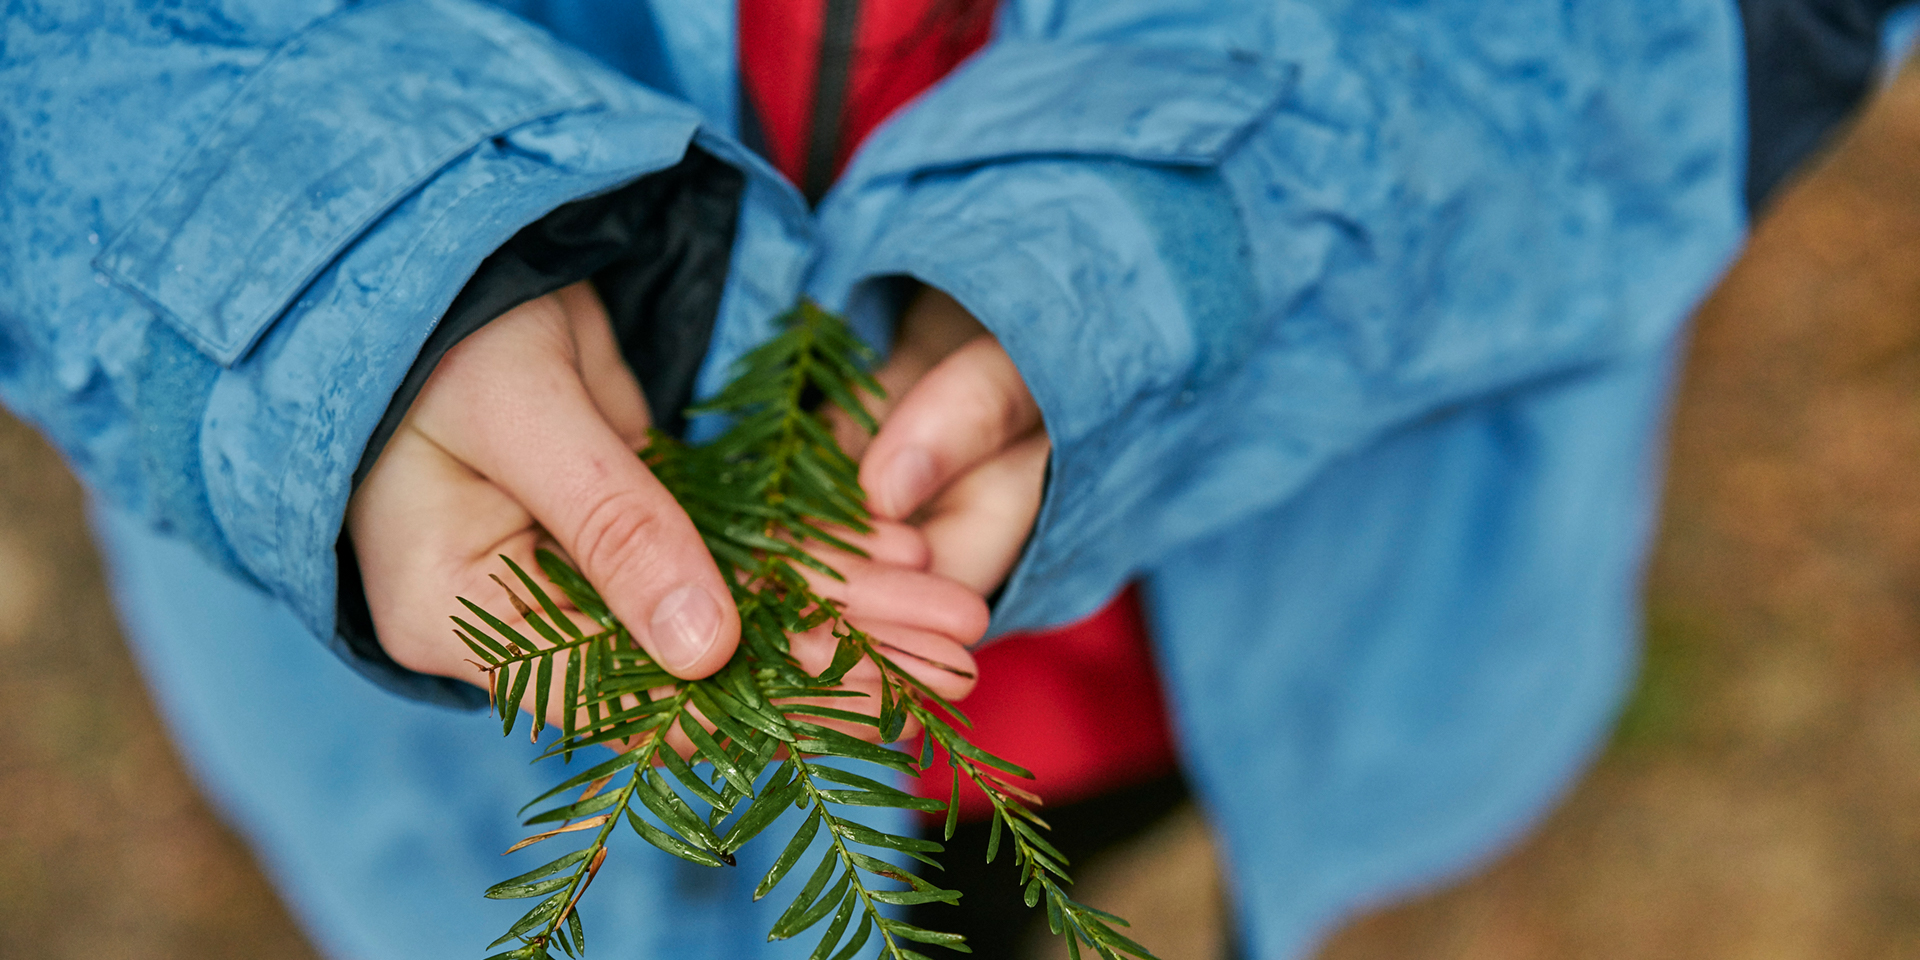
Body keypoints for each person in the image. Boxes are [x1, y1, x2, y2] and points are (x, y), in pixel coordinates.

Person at [5, 1, 1906, 958]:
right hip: (483, 666)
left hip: (1229, 586)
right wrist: (333, 269)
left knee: (1000, 887)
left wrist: (1198, 215)